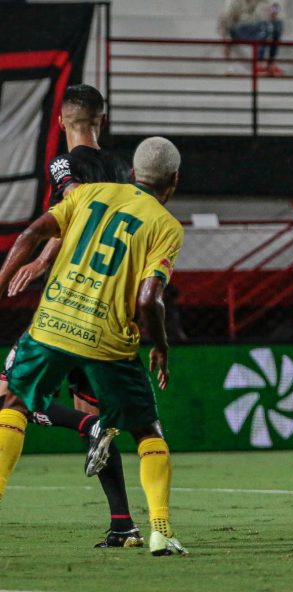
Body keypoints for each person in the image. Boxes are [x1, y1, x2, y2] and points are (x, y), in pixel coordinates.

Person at [0, 136, 187, 556]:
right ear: (173, 181)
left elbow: (32, 233)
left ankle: (122, 522)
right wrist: (160, 346)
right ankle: (159, 529)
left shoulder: (88, 193)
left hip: (51, 325)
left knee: (13, 402)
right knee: (146, 431)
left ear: (135, 174)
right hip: (108, 340)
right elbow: (147, 300)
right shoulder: (166, 226)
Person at [0, 83, 142, 549]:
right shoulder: (125, 170)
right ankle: (123, 523)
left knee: (11, 397)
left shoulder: (63, 164)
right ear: (102, 119)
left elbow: (79, 210)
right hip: (111, 311)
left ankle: (85, 429)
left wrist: (41, 261)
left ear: (62, 121)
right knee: (91, 412)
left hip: (66, 305)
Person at [219, 0, 284, 76]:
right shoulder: (235, 2)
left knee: (277, 24)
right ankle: (259, 63)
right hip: (241, 29)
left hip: (258, 29)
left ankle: (270, 63)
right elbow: (224, 21)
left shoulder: (263, 2)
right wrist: (226, 40)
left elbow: (275, 8)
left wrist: (274, 12)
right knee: (264, 26)